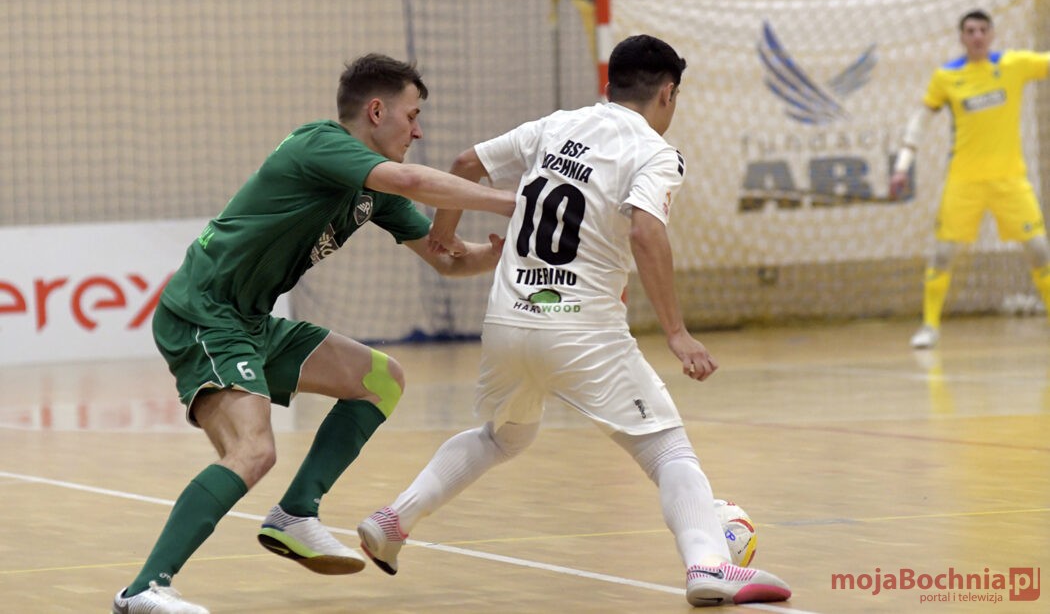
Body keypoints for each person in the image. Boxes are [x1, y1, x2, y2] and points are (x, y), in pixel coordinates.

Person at [355, 35, 792, 608]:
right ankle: (709, 564)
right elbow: (646, 231)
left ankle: (393, 521)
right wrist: (677, 332)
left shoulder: (558, 125)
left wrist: (443, 236)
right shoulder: (656, 152)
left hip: (508, 320)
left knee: (504, 436)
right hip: (581, 328)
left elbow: (464, 165)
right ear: (668, 93)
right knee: (667, 449)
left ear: (610, 85)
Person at [111, 53, 516, 614]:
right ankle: (142, 590)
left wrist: (502, 253)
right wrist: (515, 200)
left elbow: (445, 259)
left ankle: (295, 513)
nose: (418, 131)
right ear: (376, 111)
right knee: (253, 451)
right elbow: (413, 180)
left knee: (380, 379)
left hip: (253, 321)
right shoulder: (317, 143)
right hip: (205, 312)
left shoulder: (376, 190)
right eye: (412, 116)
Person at [891, 9, 1050, 349]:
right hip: (964, 182)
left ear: (992, 34)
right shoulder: (947, 76)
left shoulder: (1014, 64)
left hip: (1010, 181)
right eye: (970, 31)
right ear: (961, 37)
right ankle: (929, 326)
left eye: (982, 30)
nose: (977, 36)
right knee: (942, 254)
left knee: (1040, 250)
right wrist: (903, 165)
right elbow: (921, 119)